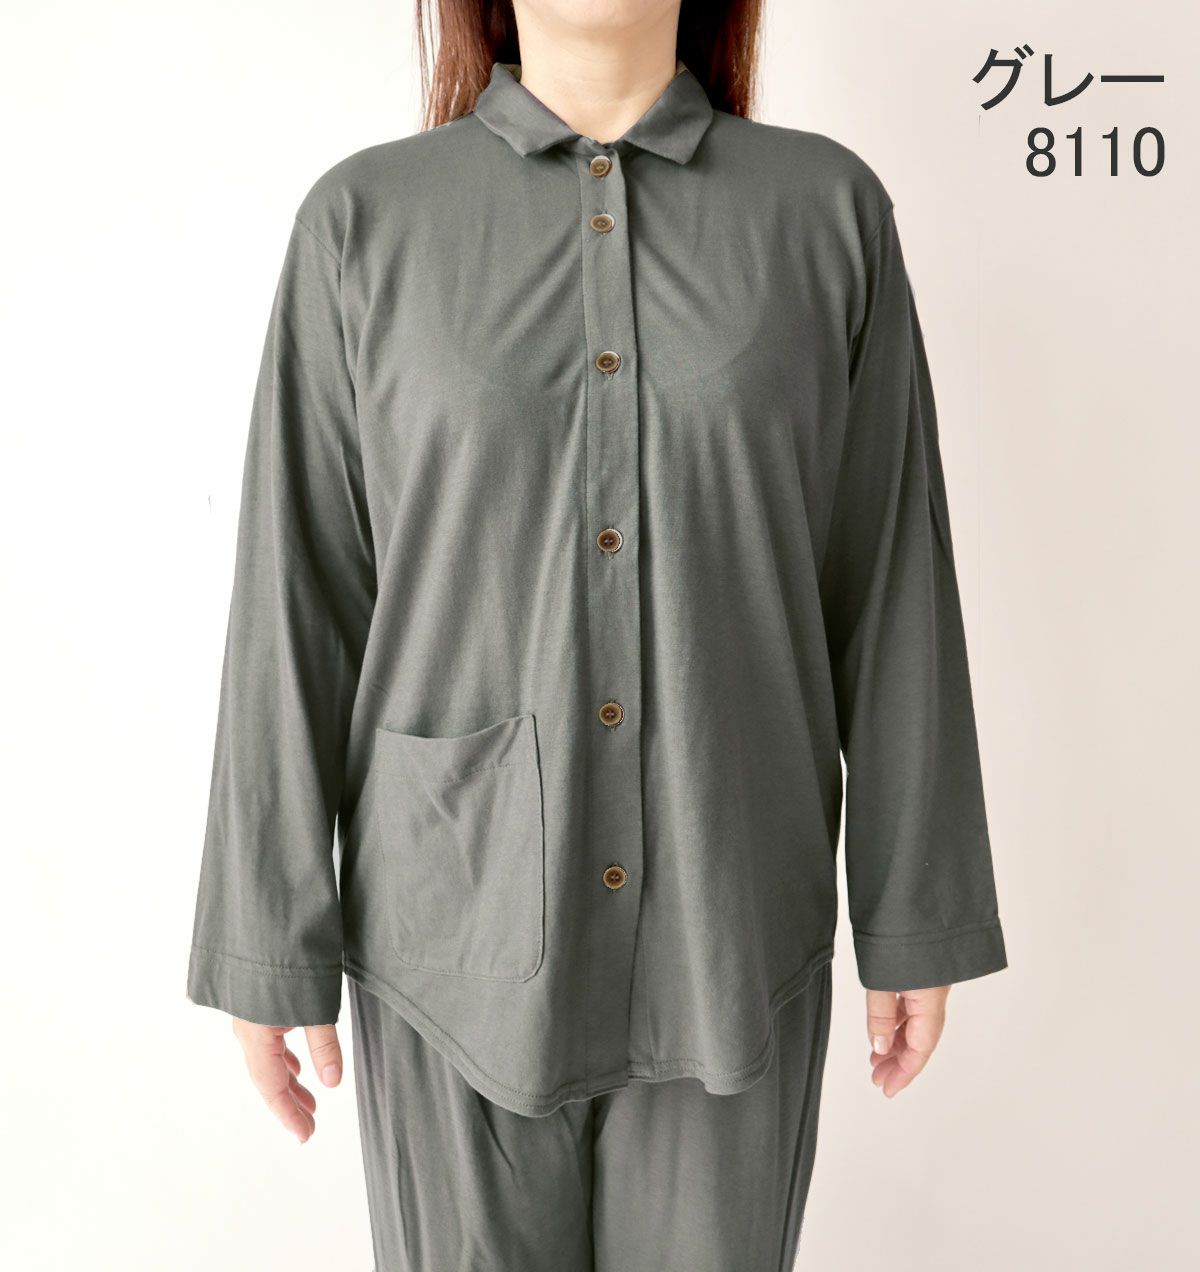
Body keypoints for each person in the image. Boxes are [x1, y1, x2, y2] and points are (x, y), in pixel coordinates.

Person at [187, 1, 1009, 1267]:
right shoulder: (363, 225)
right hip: (450, 940)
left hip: (734, 923)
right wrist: (265, 935)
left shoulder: (825, 215)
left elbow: (892, 577)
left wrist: (915, 907)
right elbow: (296, 592)